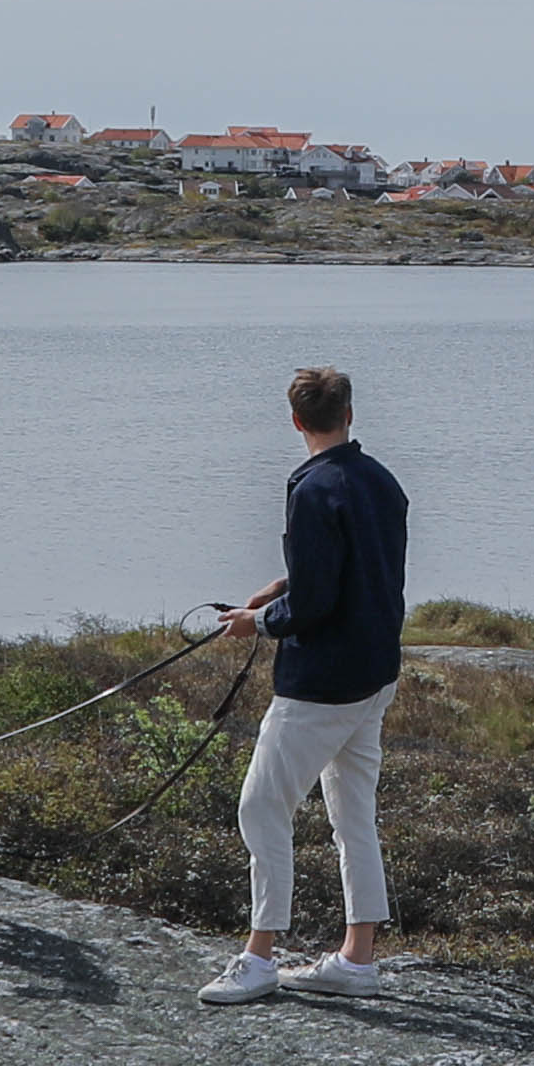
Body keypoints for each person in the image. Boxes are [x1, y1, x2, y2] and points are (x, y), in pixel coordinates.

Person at [204, 365, 407, 1001]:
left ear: (296, 421)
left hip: (322, 685)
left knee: (261, 806)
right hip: (375, 674)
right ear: (349, 413)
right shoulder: (381, 481)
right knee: (354, 817)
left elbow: (317, 603)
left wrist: (258, 621)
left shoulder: (314, 489)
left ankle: (260, 957)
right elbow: (359, 567)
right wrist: (281, 585)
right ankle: (357, 959)